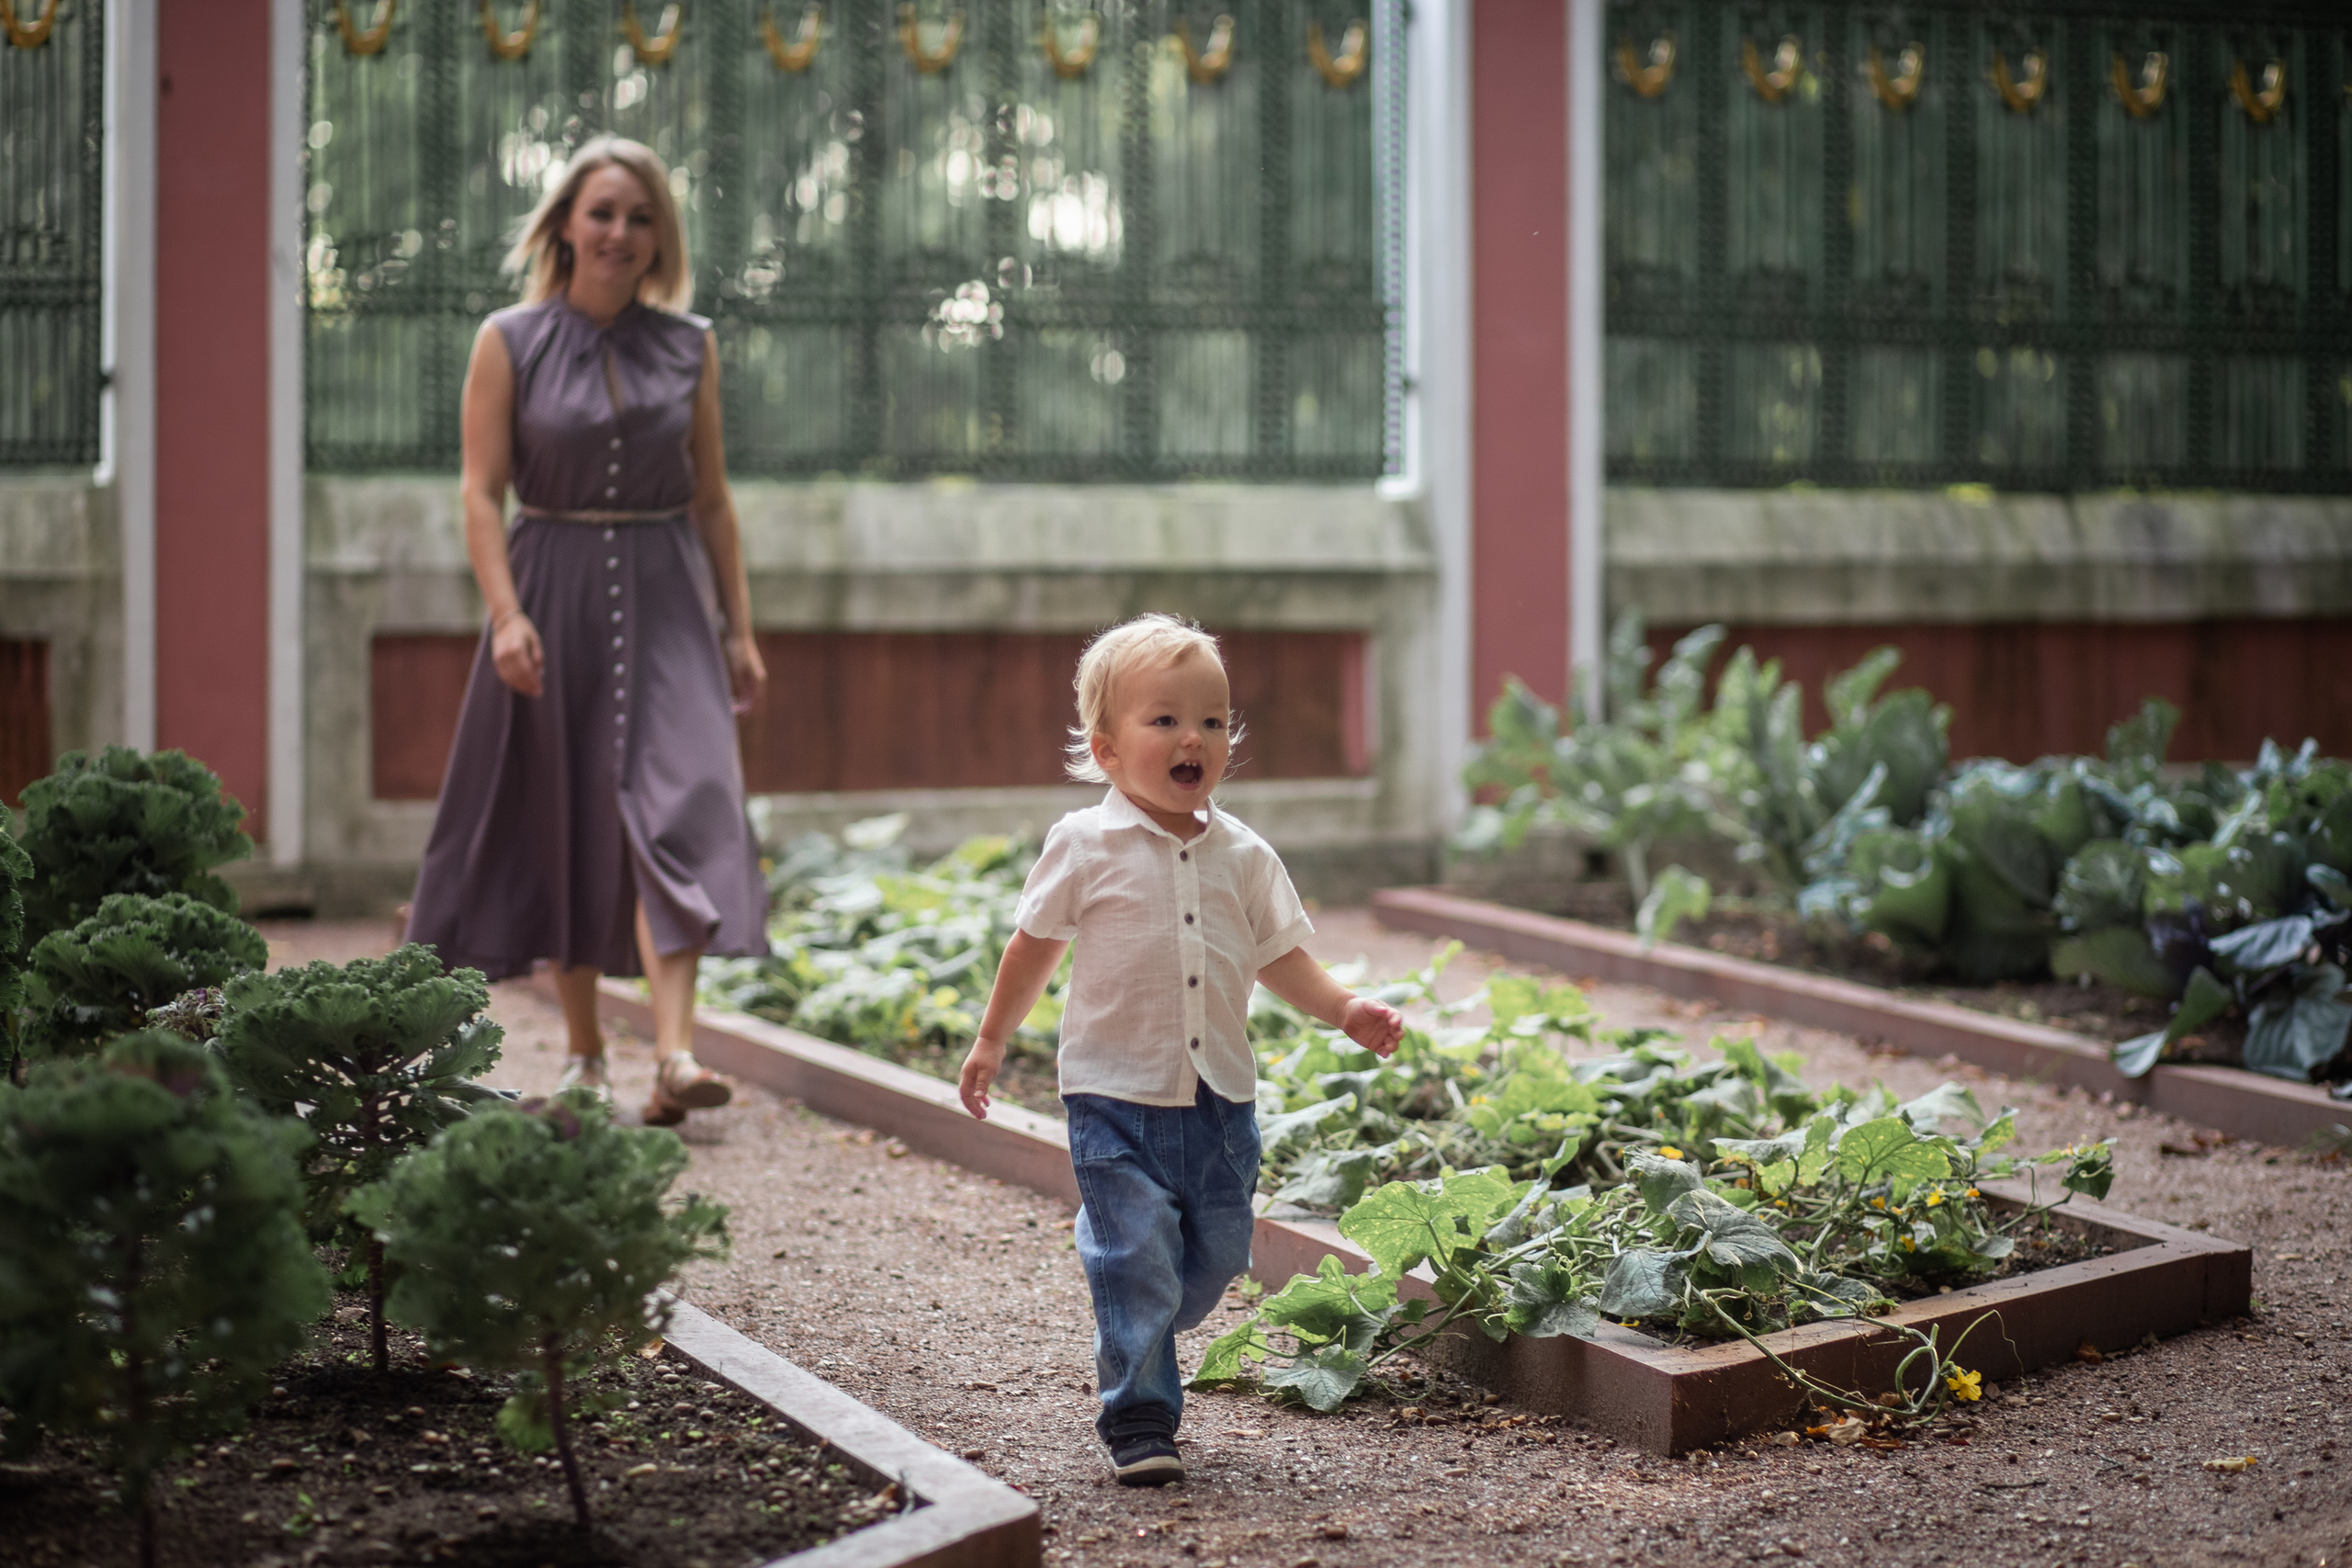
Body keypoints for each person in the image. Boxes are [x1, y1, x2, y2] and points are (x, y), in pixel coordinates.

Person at [955, 615, 1405, 1486]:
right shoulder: (1083, 846)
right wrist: (990, 1037)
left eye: (1210, 719)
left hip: (1219, 1104)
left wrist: (1344, 1007)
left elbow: (1280, 956)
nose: (1191, 736)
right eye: (1163, 720)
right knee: (1135, 1260)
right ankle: (1140, 1417)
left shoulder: (1244, 855)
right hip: (1112, 1097)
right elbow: (1032, 945)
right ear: (1108, 746)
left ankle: (1143, 1291)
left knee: (1218, 1256)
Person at [405, 136, 769, 1129]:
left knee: (685, 804)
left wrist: (739, 630)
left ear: (660, 239)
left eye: (640, 217)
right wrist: (506, 613)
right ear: (567, 222)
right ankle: (583, 1058)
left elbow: (714, 500)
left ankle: (677, 1053)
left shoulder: (690, 344)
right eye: (603, 212)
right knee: (566, 817)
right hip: (550, 589)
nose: (619, 232)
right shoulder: (507, 339)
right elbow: (480, 494)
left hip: (668, 599)